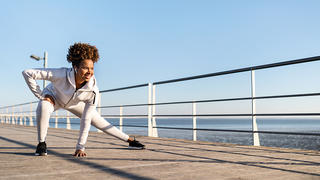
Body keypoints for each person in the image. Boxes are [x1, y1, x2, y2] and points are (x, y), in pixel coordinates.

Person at [22, 42, 145, 157]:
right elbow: (27, 73)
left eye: (91, 68)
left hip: (75, 103)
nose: (89, 72)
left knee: (99, 121)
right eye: (85, 68)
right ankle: (41, 144)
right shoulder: (60, 74)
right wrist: (41, 95)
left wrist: (80, 147)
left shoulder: (92, 90)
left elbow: (86, 121)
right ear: (75, 67)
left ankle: (129, 140)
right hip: (54, 98)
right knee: (43, 105)